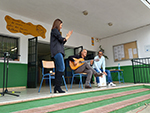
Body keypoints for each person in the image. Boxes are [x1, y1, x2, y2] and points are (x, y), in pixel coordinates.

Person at [50, 19, 73, 93]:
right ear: (57, 24)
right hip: (57, 52)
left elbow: (61, 42)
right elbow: (61, 39)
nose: (61, 27)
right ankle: (58, 87)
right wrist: (67, 37)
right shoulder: (55, 30)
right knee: (62, 68)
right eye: (61, 25)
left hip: (58, 52)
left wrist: (66, 38)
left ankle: (56, 88)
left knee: (58, 70)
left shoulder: (55, 32)